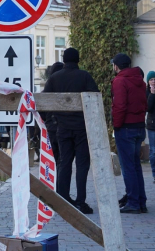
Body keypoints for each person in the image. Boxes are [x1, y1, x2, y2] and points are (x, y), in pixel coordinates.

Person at [42, 48, 98, 214]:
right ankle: (81, 201)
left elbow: (45, 101)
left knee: (64, 162)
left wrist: (49, 121)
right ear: (78, 59)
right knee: (82, 165)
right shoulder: (85, 76)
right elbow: (95, 99)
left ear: (64, 60)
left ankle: (62, 199)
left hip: (62, 127)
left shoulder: (54, 78)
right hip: (82, 127)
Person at [111, 53, 148, 214]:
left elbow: (119, 106)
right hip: (140, 126)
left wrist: (116, 126)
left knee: (128, 167)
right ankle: (141, 201)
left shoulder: (120, 81)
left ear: (116, 66)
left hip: (126, 127)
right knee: (135, 165)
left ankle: (133, 202)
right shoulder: (140, 80)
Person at [41, 62, 64, 168]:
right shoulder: (65, 88)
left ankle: (53, 183)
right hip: (64, 127)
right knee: (63, 159)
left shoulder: (48, 88)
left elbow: (41, 111)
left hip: (51, 127)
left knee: (52, 158)